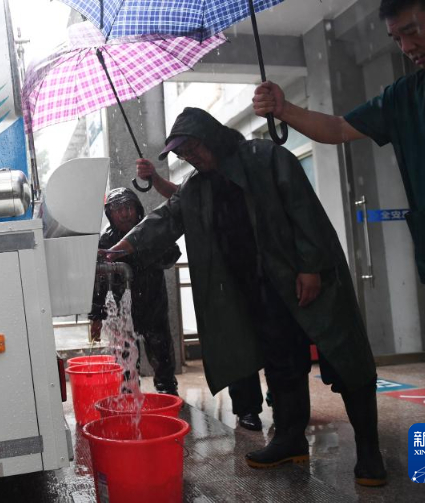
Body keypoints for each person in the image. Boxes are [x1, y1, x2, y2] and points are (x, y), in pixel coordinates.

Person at [252, 0, 425, 486]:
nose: (406, 47)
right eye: (396, 38)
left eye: (413, 31)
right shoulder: (408, 95)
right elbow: (339, 128)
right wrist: (284, 109)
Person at [103, 107, 387, 486]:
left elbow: (304, 210)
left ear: (212, 136)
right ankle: (290, 438)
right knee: (282, 364)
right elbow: (166, 218)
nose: (191, 158)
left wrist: (311, 267)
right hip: (261, 291)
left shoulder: (266, 158)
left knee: (346, 361)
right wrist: (121, 247)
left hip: (307, 280)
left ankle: (369, 452)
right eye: (184, 154)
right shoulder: (198, 185)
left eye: (193, 148)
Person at [137, 161, 265, 431]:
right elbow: (180, 196)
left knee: (274, 341)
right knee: (236, 340)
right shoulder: (199, 181)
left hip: (263, 270)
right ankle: (248, 407)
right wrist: (155, 178)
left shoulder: (249, 169)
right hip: (226, 275)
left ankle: (285, 404)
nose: (190, 156)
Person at [89, 187, 181, 396]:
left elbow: (172, 254)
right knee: (125, 361)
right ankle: (129, 395)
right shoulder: (106, 241)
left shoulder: (149, 231)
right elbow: (98, 284)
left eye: (129, 207)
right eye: (118, 209)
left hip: (154, 305)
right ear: (110, 214)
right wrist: (96, 316)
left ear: (137, 209)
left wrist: (144, 252)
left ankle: (167, 392)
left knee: (162, 353)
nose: (124, 214)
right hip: (122, 312)